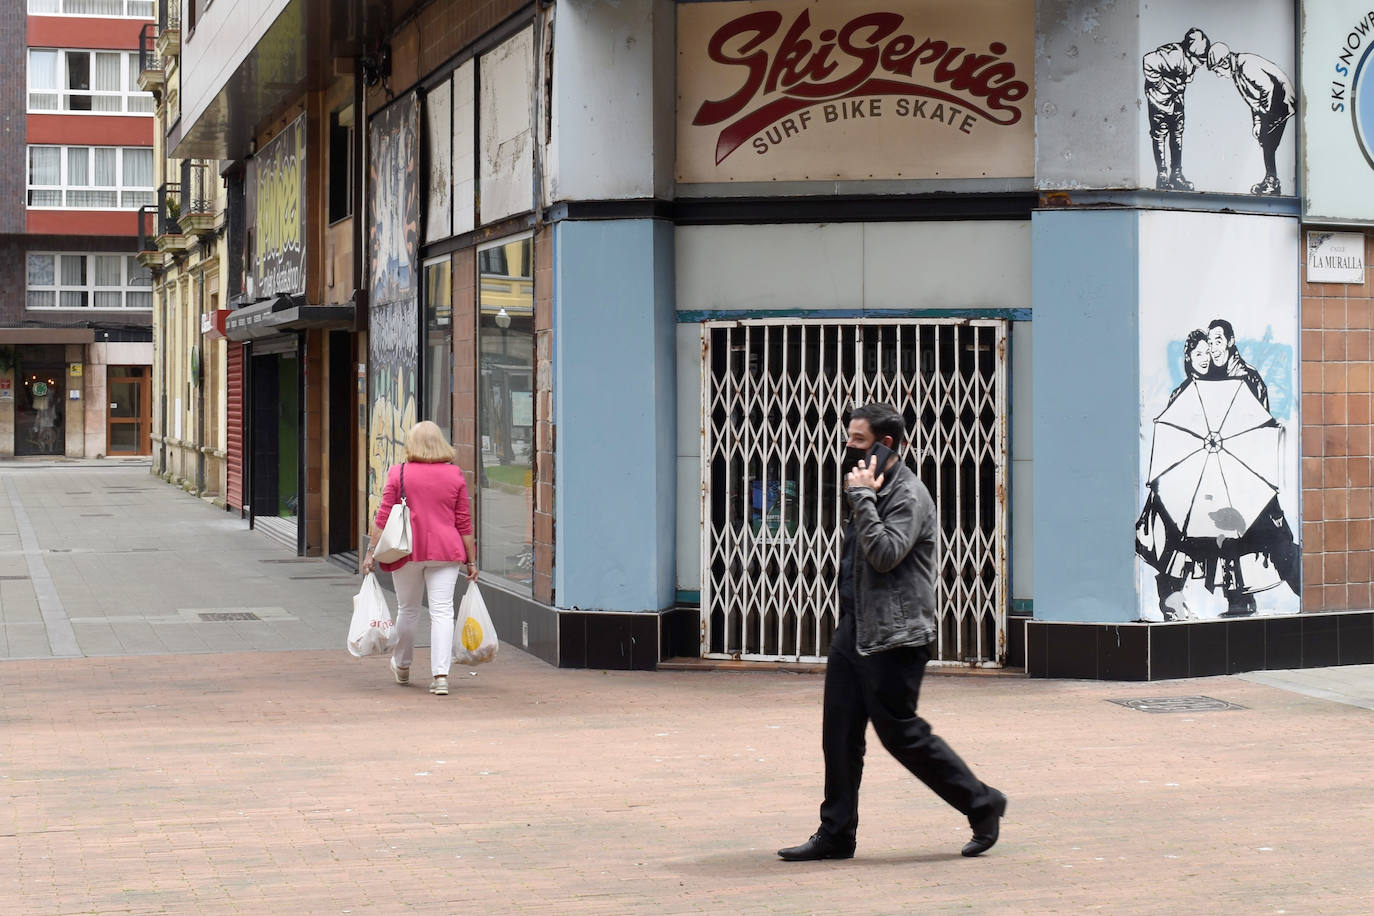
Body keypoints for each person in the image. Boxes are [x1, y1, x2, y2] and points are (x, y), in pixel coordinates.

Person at [778, 402, 1006, 862]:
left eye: (857, 440)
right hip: (855, 632)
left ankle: (982, 802)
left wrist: (861, 498)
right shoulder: (876, 486)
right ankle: (836, 833)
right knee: (839, 734)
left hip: (896, 638)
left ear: (885, 445)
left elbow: (885, 553)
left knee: (902, 734)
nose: (847, 448)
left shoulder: (907, 495)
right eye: (847, 438)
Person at [362, 420, 478, 696]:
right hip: (446, 551)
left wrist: (370, 553)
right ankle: (440, 675)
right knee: (442, 611)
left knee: (408, 609)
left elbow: (382, 517)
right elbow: (464, 522)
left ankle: (402, 665)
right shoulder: (455, 475)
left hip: (406, 551)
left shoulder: (398, 473)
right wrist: (471, 561)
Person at [1206, 43, 1294, 196]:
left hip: (1282, 101)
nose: (1218, 75)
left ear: (1225, 62)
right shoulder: (1237, 73)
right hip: (1272, 104)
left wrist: (1266, 118)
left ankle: (1272, 182)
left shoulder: (1246, 65)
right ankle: (1271, 179)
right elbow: (1253, 100)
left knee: (1267, 141)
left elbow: (1267, 90)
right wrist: (1258, 123)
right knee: (1266, 140)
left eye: (1217, 71)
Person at [1143, 28, 1211, 191]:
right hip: (1159, 101)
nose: (1201, 63)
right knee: (1159, 136)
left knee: (1177, 135)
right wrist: (1161, 86)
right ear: (1190, 52)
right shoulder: (1172, 54)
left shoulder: (1191, 61)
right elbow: (1148, 61)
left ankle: (1177, 175)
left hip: (1176, 101)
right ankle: (1162, 176)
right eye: (1200, 58)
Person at [1207, 318, 1268, 409]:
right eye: (1210, 343)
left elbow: (1263, 419)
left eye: (1218, 342)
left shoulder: (1250, 377)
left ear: (1230, 341)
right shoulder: (1205, 376)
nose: (1212, 349)